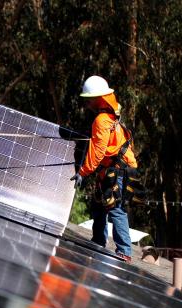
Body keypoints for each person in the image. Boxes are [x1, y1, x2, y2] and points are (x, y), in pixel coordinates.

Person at [70, 75, 138, 263]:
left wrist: (83, 172)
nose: (87, 103)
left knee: (114, 207)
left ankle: (124, 251)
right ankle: (98, 241)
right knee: (99, 204)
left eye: (89, 99)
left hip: (117, 169)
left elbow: (98, 151)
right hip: (113, 168)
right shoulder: (112, 113)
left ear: (99, 98)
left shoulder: (101, 120)